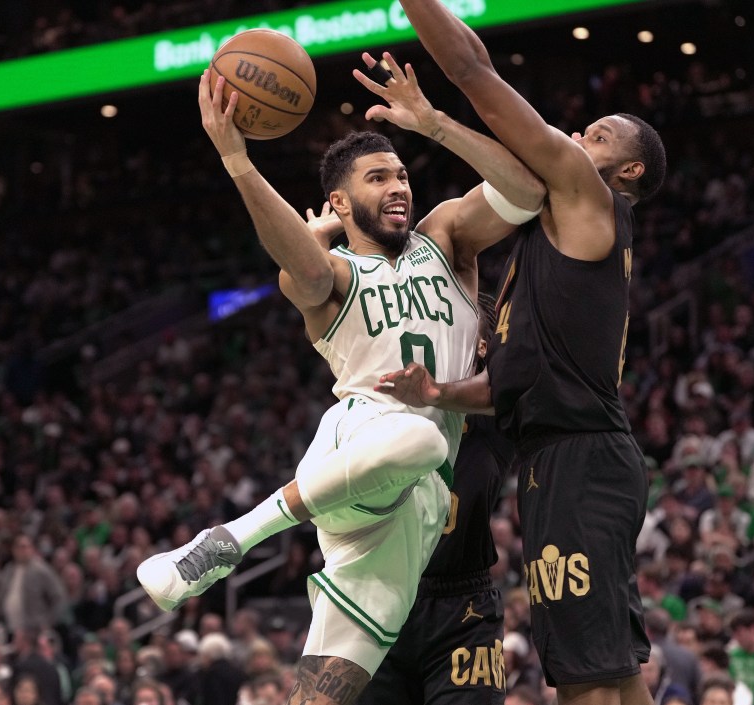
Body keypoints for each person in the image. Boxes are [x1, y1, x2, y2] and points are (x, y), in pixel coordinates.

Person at [138, 55, 545, 705]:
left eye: (402, 174)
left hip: (414, 508)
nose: (398, 187)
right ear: (337, 200)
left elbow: (527, 189)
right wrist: (239, 160)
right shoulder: (334, 279)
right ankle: (227, 540)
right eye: (378, 177)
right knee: (424, 439)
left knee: (320, 695)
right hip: (357, 443)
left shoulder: (445, 238)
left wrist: (435, 124)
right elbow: (300, 265)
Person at [376, 3, 667, 703]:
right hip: (565, 456)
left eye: (594, 134)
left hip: (578, 458)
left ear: (624, 168)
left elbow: (472, 66)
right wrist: (438, 393)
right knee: (610, 669)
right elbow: (509, 381)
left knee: (585, 678)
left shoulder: (589, 195)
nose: (573, 135)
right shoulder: (552, 239)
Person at [357, 294, 514, 705]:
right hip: (381, 594)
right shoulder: (381, 403)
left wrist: (437, 390)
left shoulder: (494, 415)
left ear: (481, 344)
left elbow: (522, 379)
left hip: (463, 603)